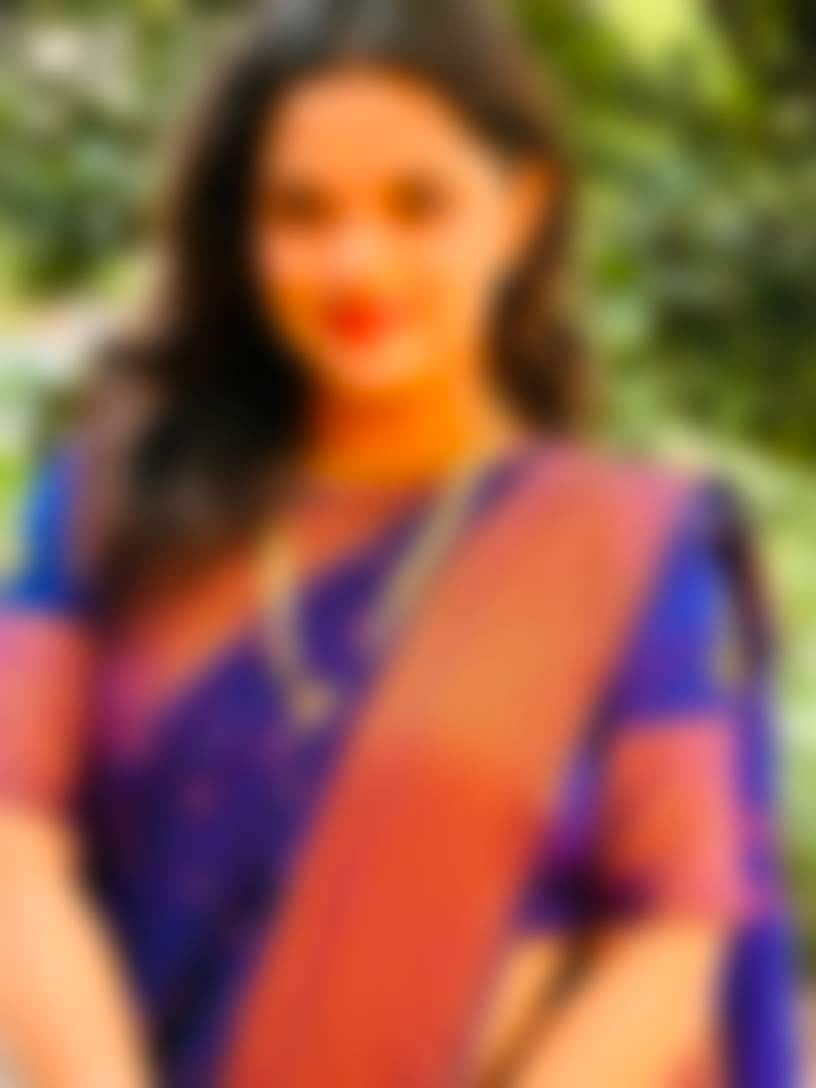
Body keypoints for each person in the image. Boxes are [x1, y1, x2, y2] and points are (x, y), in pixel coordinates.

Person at [0, 1, 798, 1085]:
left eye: (419, 205)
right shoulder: (111, 504)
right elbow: (16, 839)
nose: (357, 262)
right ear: (240, 228)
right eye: (301, 211)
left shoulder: (626, 548)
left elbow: (674, 932)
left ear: (520, 209)